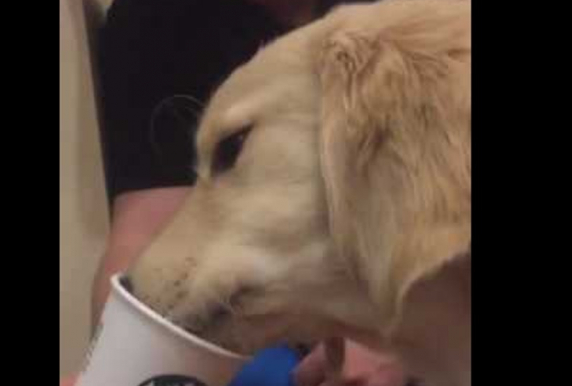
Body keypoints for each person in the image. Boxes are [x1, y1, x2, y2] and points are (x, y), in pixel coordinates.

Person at [63, 0, 406, 385]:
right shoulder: (155, 21)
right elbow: (141, 233)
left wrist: (404, 338)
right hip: (282, 335)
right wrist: (120, 370)